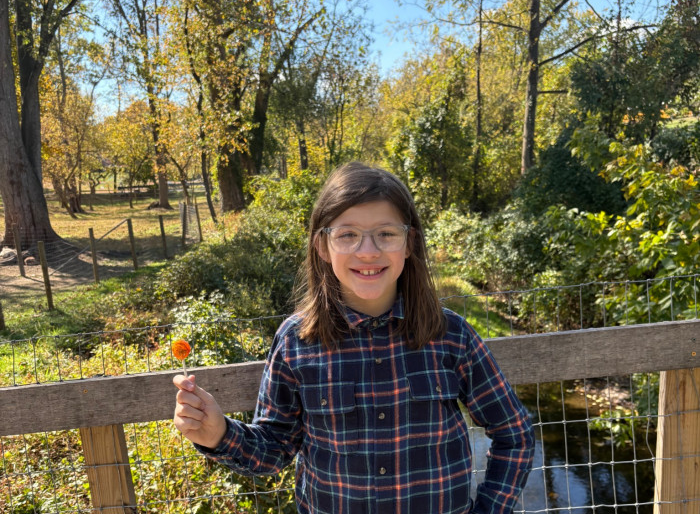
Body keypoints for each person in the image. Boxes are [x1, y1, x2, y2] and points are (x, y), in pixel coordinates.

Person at [173, 162, 535, 514]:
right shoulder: (296, 342)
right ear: (322, 245)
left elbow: (515, 434)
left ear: (409, 243)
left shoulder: (450, 335)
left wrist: (490, 508)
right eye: (347, 235)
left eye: (386, 234)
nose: (368, 251)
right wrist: (219, 434)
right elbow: (275, 449)